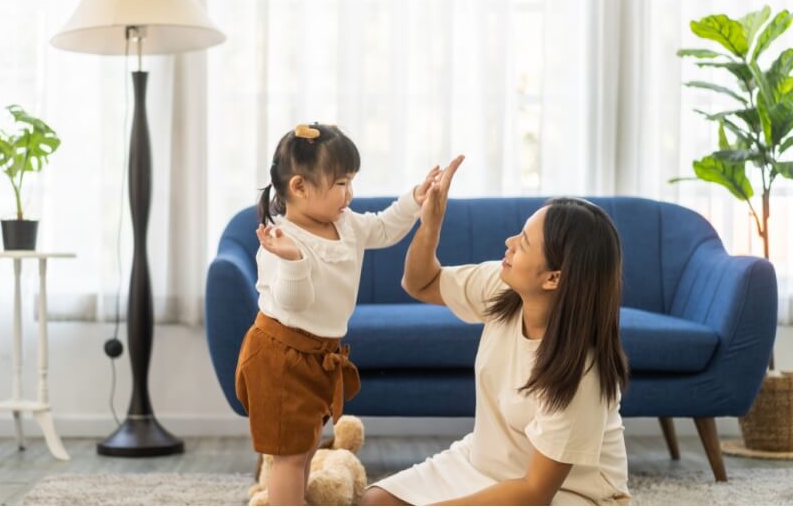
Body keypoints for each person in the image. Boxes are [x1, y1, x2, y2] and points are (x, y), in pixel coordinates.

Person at [363, 159, 631, 505]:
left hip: (567, 493)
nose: (509, 241)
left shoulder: (581, 371)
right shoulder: (501, 288)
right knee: (376, 501)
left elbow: (535, 491)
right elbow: (420, 283)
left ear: (554, 278)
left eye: (524, 242)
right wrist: (431, 223)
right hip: (484, 462)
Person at [235, 121, 455, 505]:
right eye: (340, 183)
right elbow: (293, 302)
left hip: (319, 354)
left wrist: (415, 199)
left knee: (305, 448)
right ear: (299, 187)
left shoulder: (346, 223)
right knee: (288, 456)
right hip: (279, 356)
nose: (349, 193)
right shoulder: (280, 241)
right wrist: (293, 260)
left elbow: (385, 228)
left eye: (351, 181)